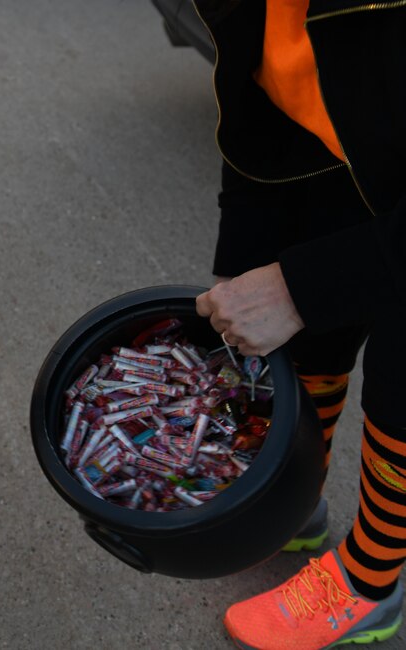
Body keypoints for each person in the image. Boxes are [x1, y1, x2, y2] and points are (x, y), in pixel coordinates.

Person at [189, 1, 406, 648]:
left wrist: (303, 285)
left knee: (399, 389)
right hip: (333, 150)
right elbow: (254, 86)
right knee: (310, 345)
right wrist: (245, 256)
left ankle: (370, 586)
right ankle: (294, 507)